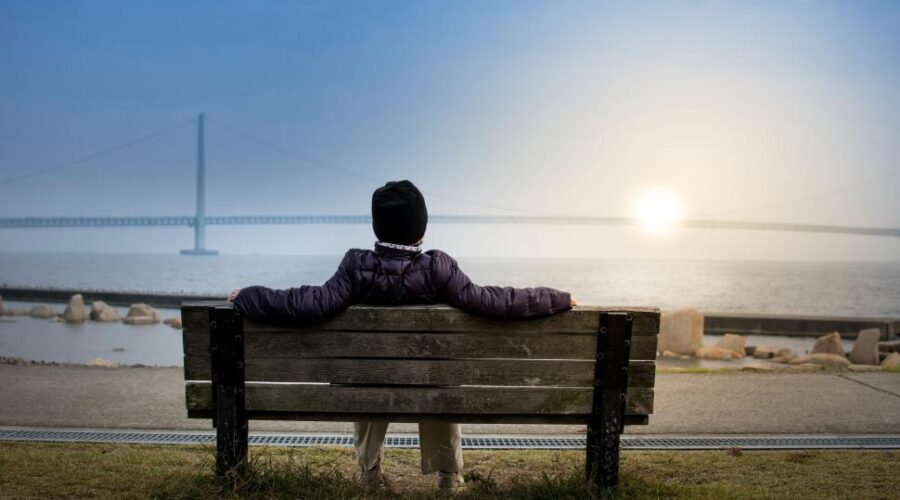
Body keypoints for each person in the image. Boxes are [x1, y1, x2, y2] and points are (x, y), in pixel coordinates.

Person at [228, 180, 575, 491]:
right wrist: (556, 298)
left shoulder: (356, 266)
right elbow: (493, 301)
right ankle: (449, 477)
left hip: (369, 381)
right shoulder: (438, 267)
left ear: (377, 226)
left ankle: (368, 473)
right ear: (421, 228)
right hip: (429, 382)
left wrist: (248, 296)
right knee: (439, 381)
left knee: (366, 378)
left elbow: (306, 304)